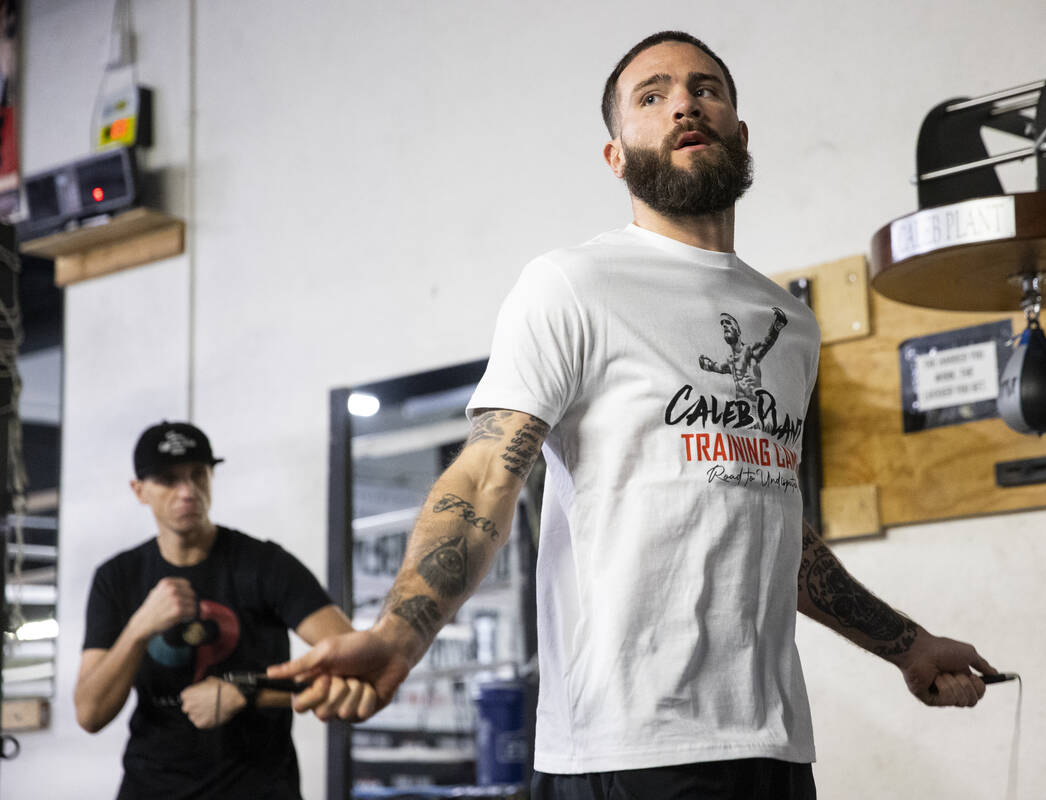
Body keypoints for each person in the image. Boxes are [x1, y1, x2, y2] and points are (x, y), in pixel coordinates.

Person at [270, 31, 998, 799]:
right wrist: (397, 637)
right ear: (617, 156)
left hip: (775, 747)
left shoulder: (790, 325)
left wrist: (906, 645)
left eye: (705, 88)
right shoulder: (572, 285)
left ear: (739, 134)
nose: (684, 102)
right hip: (625, 748)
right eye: (652, 96)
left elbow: (766, 513)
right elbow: (488, 472)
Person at [75, 421, 373, 799]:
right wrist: (139, 628)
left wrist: (247, 691)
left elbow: (361, 668)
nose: (187, 492)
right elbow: (90, 713)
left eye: (198, 474)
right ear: (139, 491)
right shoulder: (117, 578)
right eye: (169, 479)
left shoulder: (266, 565)